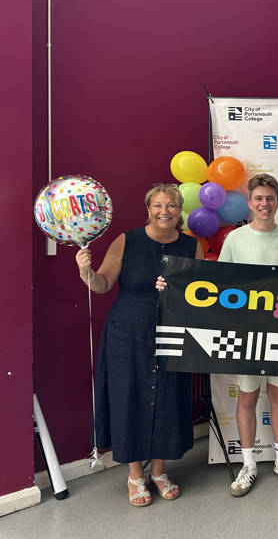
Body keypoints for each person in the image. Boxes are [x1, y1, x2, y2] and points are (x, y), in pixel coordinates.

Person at [75, 184, 204, 507]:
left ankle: (159, 472)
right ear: (148, 210)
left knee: (169, 398)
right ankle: (135, 474)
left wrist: (178, 289)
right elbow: (103, 284)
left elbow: (203, 295)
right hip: (127, 332)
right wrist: (85, 272)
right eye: (158, 205)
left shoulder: (192, 246)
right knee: (129, 396)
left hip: (173, 333)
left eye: (171, 206)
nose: (165, 211)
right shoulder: (127, 241)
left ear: (180, 211)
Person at [218, 174, 278, 495]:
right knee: (247, 396)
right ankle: (249, 465)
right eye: (258, 199)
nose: (264, 204)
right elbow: (221, 286)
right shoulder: (235, 239)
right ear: (250, 203)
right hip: (244, 333)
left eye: (270, 198)